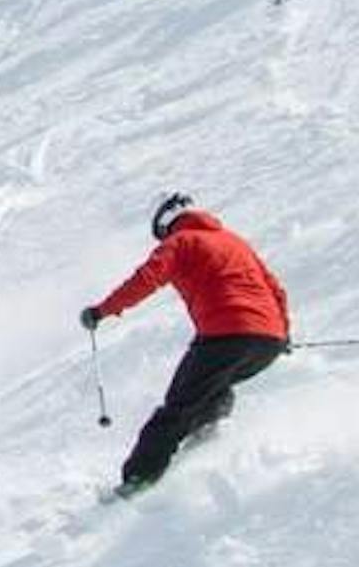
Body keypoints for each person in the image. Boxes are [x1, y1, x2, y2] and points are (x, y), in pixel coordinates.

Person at [81, 193, 293, 494]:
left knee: (176, 408)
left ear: (166, 223)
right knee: (212, 388)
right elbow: (274, 288)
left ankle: (138, 480)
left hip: (225, 334)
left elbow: (146, 279)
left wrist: (101, 310)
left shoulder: (181, 242)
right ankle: (208, 436)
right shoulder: (235, 241)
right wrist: (282, 333)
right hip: (267, 340)